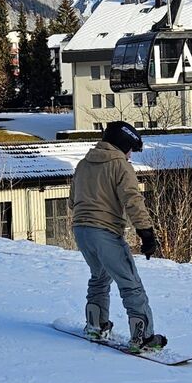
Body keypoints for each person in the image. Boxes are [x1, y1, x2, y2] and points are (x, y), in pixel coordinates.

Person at [68, 120, 167, 351]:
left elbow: (73, 201)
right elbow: (133, 201)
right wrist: (146, 234)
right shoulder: (120, 166)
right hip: (105, 232)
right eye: (130, 149)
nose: (131, 155)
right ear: (124, 145)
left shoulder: (84, 164)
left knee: (99, 277)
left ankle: (95, 324)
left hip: (81, 230)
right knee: (130, 283)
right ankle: (142, 337)